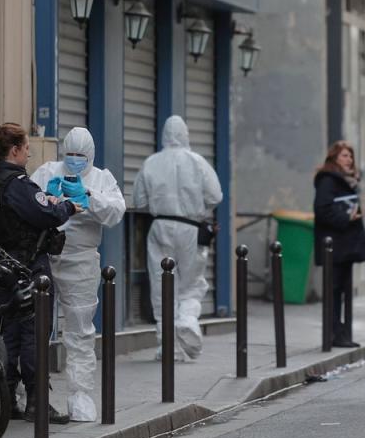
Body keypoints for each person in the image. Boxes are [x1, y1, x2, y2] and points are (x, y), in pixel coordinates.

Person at [0, 123, 79, 423]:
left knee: (7, 333)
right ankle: (37, 402)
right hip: (27, 266)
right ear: (15, 150)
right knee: (34, 333)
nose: (29, 154)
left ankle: (7, 401)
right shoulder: (16, 184)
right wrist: (67, 207)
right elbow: (45, 213)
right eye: (27, 148)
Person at [30, 127, 126, 421]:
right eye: (70, 154)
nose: (74, 161)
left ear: (91, 156)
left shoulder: (101, 178)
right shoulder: (47, 172)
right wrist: (50, 200)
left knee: (80, 330)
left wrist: (88, 196)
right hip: (45, 254)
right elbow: (27, 204)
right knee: (33, 327)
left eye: (80, 156)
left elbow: (116, 212)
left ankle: (80, 395)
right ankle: (30, 393)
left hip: (81, 257)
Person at [133, 116, 223, 361]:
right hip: (191, 228)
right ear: (186, 134)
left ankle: (168, 346)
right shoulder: (198, 162)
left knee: (161, 285)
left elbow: (139, 200)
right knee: (192, 283)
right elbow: (215, 195)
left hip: (159, 225)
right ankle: (187, 320)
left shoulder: (151, 162)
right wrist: (200, 209)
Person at [313, 141, 365, 348]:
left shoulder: (347, 181)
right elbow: (323, 209)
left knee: (342, 291)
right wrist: (347, 217)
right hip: (334, 245)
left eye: (351, 156)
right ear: (334, 158)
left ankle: (340, 332)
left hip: (345, 245)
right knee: (334, 291)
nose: (349, 160)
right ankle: (335, 333)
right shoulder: (328, 180)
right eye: (345, 156)